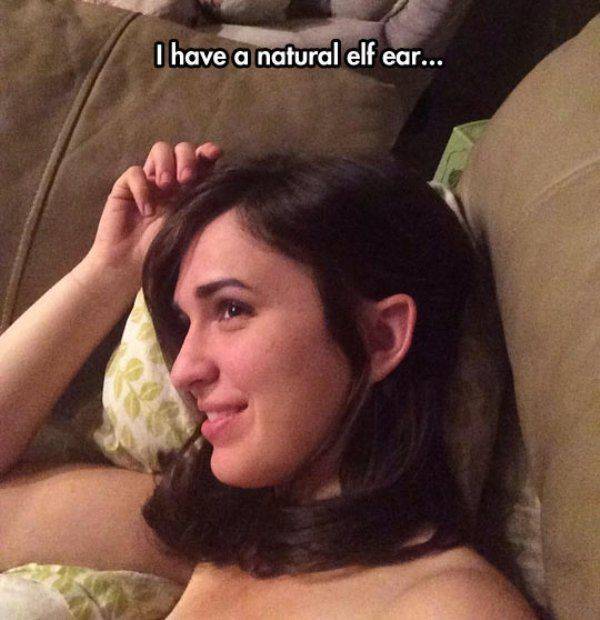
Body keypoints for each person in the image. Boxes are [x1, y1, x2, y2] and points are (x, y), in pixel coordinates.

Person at [0, 141, 535, 618]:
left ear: (380, 337)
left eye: (232, 309)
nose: (183, 371)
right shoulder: (218, 539)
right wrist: (109, 272)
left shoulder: (447, 606)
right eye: (185, 322)